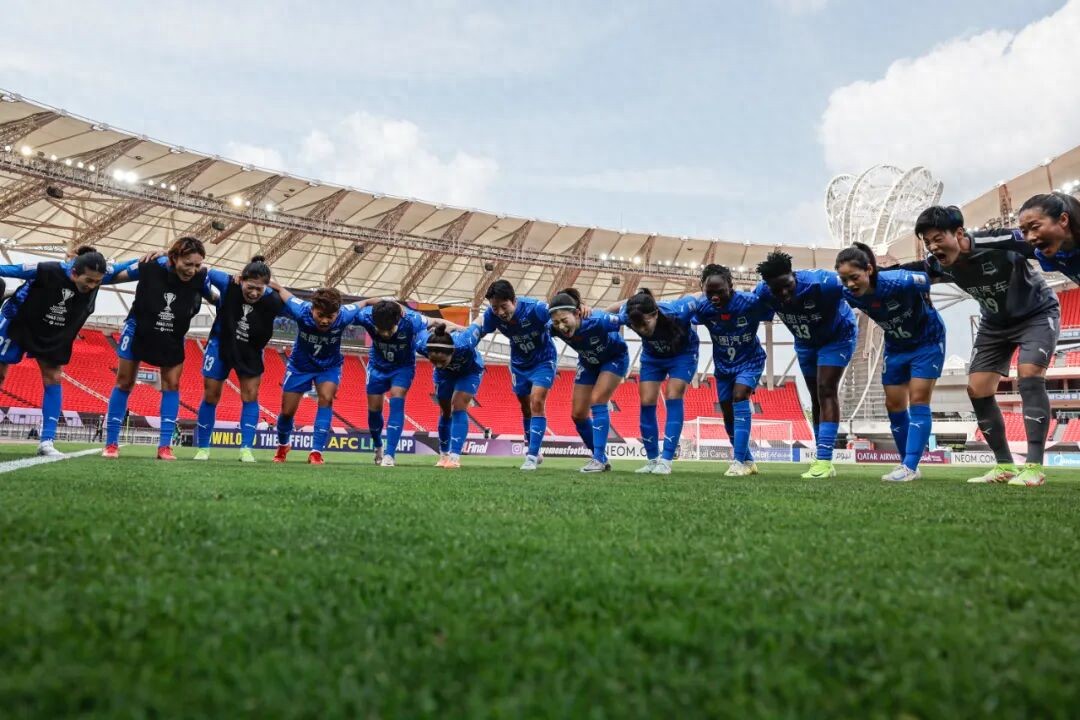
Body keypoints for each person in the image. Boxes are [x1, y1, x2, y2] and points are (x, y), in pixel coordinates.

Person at [896, 205, 1059, 487]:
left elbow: (1043, 245)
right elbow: (911, 271)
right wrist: (873, 274)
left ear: (959, 233)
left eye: (937, 238)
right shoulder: (938, 264)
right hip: (995, 325)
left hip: (1037, 313)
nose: (932, 247)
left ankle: (1034, 467)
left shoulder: (998, 241)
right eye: (926, 242)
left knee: (1029, 374)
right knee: (978, 390)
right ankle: (1005, 466)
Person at [0, 247, 137, 457]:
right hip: (20, 323)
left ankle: (47, 441)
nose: (93, 286)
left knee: (53, 378)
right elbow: (10, 269)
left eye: (97, 282)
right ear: (74, 272)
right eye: (89, 281)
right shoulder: (46, 270)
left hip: (53, 334)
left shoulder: (98, 276)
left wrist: (154, 257)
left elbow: (124, 267)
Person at [835, 242, 945, 482]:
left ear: (869, 270)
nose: (850, 284)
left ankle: (909, 465)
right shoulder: (848, 294)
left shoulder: (900, 280)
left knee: (918, 400)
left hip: (928, 341)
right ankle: (909, 465)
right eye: (845, 280)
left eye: (854, 277)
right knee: (894, 405)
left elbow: (933, 276)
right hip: (895, 346)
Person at [103, 237, 215, 460]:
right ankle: (111, 444)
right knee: (124, 382)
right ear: (174, 258)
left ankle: (165, 446)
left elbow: (218, 298)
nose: (192, 270)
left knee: (171, 385)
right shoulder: (151, 265)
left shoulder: (201, 276)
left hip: (173, 334)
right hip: (139, 328)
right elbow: (114, 275)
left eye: (197, 264)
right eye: (188, 263)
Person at [755, 251, 858, 479]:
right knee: (815, 396)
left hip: (838, 337)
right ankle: (823, 457)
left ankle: (823, 460)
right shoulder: (762, 292)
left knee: (826, 389)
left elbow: (862, 285)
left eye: (787, 286)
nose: (783, 293)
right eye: (776, 290)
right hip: (805, 343)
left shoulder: (824, 283)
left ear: (794, 275)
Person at [193, 255, 285, 463]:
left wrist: (279, 288)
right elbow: (200, 269)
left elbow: (300, 309)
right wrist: (209, 295)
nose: (253, 293)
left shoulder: (273, 299)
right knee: (210, 395)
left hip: (251, 351)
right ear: (241, 279)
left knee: (250, 397)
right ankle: (203, 448)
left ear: (266, 287)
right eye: (249, 287)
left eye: (259, 289)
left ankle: (246, 448)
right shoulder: (227, 282)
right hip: (221, 345)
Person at [694, 264, 774, 477]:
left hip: (750, 361)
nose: (714, 297)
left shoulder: (749, 303)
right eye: (709, 292)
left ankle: (738, 461)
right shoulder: (703, 308)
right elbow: (683, 316)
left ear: (731, 285)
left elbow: (773, 307)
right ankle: (748, 459)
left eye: (719, 291)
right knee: (728, 414)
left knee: (740, 396)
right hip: (723, 368)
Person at [269, 282, 361, 465]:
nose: (325, 321)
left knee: (326, 399)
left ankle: (316, 452)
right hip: (300, 366)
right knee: (287, 412)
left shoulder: (345, 315)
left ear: (337, 313)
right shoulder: (301, 311)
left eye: (330, 317)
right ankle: (283, 445)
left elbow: (365, 303)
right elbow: (283, 291)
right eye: (320, 315)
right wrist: (269, 283)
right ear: (312, 309)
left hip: (329, 366)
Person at [610, 289, 699, 475]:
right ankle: (652, 460)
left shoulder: (678, 310)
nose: (642, 329)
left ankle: (666, 460)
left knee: (673, 395)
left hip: (683, 355)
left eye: (645, 323)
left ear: (655, 313)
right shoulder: (629, 315)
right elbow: (612, 309)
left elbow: (700, 295)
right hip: (652, 357)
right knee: (646, 402)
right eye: (636, 326)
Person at [476, 280, 557, 471]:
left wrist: (580, 307)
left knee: (537, 402)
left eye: (504, 306)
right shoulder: (492, 315)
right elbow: (477, 329)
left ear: (514, 300)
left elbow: (561, 312)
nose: (500, 312)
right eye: (495, 308)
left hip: (543, 360)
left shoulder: (535, 309)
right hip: (519, 365)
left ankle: (531, 455)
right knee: (525, 407)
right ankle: (532, 447)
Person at [548, 288, 629, 473]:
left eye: (564, 321)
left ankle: (598, 459)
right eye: (556, 322)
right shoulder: (552, 326)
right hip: (588, 362)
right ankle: (601, 459)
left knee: (598, 400)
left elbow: (626, 311)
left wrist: (640, 298)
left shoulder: (596, 320)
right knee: (577, 414)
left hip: (614, 358)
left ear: (577, 313)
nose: (560, 326)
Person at [354, 299, 437, 467]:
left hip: (402, 367)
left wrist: (466, 329)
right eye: (380, 330)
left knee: (397, 399)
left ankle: (390, 454)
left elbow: (436, 321)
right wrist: (366, 301)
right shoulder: (366, 317)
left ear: (398, 320)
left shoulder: (412, 320)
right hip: (377, 367)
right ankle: (378, 446)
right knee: (374, 410)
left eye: (389, 330)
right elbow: (342, 314)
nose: (385, 334)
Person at [415, 322, 485, 469]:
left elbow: (480, 322)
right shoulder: (422, 345)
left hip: (469, 371)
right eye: (433, 361)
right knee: (445, 412)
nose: (437, 364)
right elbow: (418, 325)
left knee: (458, 406)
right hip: (444, 375)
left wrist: (457, 327)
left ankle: (454, 457)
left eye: (441, 361)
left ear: (452, 352)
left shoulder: (464, 343)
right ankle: (444, 454)